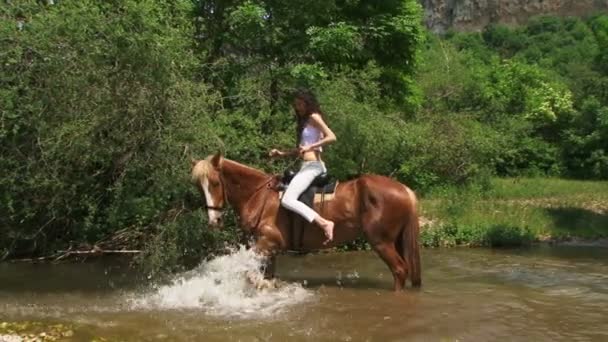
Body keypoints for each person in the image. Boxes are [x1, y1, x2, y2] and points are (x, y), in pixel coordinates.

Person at [269, 89, 337, 244]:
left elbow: (332, 137)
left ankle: (324, 223)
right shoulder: (304, 122)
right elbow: (301, 149)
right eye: (296, 105)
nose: (298, 107)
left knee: (287, 199)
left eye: (300, 104)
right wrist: (281, 153)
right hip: (306, 165)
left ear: (308, 103)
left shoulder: (314, 117)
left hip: (313, 166)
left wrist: (311, 146)